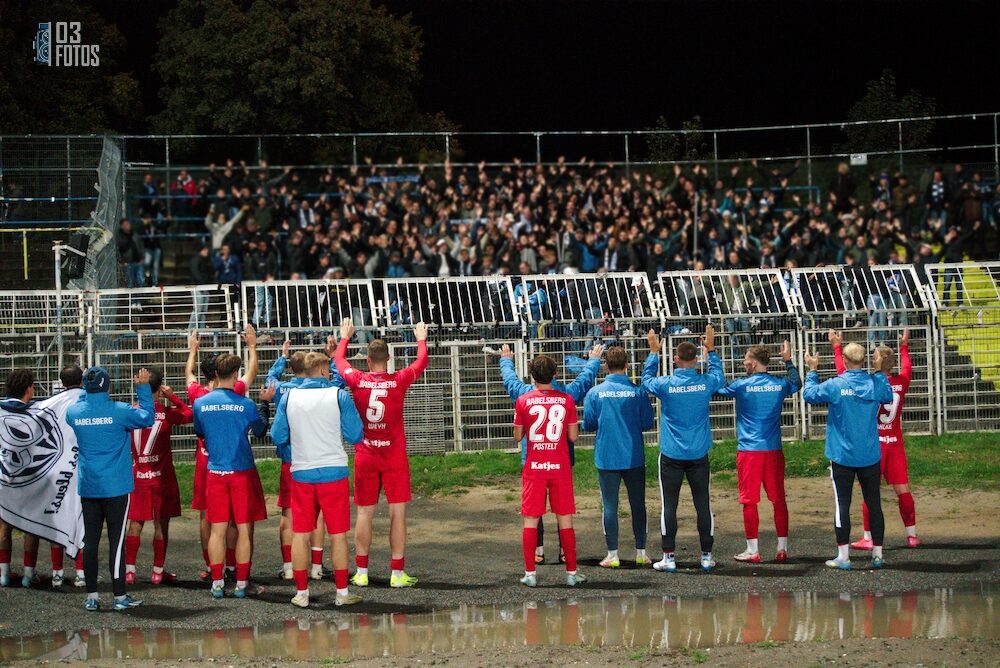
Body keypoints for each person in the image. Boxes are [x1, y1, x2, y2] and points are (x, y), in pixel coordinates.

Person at [335, 318, 428, 589]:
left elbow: (340, 362)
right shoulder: (398, 380)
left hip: (366, 454)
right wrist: (420, 337)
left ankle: (362, 571)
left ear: (367, 360)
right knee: (397, 513)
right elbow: (421, 362)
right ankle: (397, 573)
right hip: (394, 456)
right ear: (388, 359)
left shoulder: (358, 381)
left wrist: (344, 337)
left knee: (364, 513)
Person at [270, 352, 365, 608]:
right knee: (337, 535)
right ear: (324, 370)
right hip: (333, 472)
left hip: (301, 472)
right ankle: (342, 593)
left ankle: (301, 593)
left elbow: (277, 435)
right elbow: (356, 435)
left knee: (300, 533)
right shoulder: (338, 395)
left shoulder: (289, 396)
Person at [499, 343, 602, 564]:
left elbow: (510, 381)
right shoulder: (566, 395)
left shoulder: (524, 394)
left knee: (533, 507)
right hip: (560, 458)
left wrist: (506, 360)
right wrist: (593, 360)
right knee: (562, 507)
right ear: (555, 373)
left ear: (532, 374)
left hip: (533, 458)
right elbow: (584, 381)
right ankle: (565, 551)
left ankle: (537, 550)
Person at [66, 366, 155, 612]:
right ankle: (119, 597)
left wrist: (87, 389)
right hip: (116, 487)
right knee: (117, 542)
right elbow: (147, 417)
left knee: (91, 541)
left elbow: (82, 406)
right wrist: (143, 388)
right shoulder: (120, 412)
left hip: (89, 486)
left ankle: (92, 596)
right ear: (108, 386)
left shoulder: (74, 413)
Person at [642, 324, 725, 573]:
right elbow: (719, 377)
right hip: (698, 454)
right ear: (696, 358)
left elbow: (646, 381)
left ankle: (669, 557)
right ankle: (707, 556)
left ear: (676, 359)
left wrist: (654, 353)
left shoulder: (666, 384)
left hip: (671, 455)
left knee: (670, 505)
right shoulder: (706, 382)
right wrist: (711, 349)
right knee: (703, 504)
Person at [803, 342, 893, 570]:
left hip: (842, 456)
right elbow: (888, 394)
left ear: (844, 360)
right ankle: (878, 554)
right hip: (869, 455)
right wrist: (881, 369)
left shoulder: (836, 384)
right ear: (864, 361)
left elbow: (809, 394)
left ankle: (844, 556)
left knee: (842, 504)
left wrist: (812, 370)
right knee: (874, 504)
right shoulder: (875, 383)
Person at [193, 353, 275, 599]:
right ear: (236, 375)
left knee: (217, 529)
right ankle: (241, 583)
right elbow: (260, 430)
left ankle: (217, 583)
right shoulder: (245, 404)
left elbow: (199, 431)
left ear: (215, 375)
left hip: (216, 472)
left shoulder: (201, 403)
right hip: (241, 472)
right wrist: (264, 403)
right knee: (242, 528)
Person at [830, 329, 921, 549]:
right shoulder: (902, 381)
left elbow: (843, 373)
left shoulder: (871, 384)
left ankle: (869, 537)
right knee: (903, 490)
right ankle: (911, 535)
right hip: (895, 442)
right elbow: (908, 367)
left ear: (877, 362)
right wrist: (904, 346)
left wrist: (836, 347)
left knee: (869, 493)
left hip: (875, 443)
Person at [716, 342, 801, 564]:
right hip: (773, 450)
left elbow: (716, 388)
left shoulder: (741, 386)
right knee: (778, 499)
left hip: (749, 451)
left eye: (745, 359)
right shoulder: (779, 384)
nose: (743, 362)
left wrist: (713, 358)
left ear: (753, 363)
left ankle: (753, 550)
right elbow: (796, 383)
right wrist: (788, 360)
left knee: (749, 501)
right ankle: (782, 548)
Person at [185, 326, 259, 580]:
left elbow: (188, 376)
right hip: (235, 463)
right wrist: (251, 346)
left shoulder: (197, 397)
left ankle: (211, 567)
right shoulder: (237, 393)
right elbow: (252, 372)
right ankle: (233, 569)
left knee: (210, 518)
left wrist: (192, 350)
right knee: (238, 522)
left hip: (207, 464)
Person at [268, 338, 344, 581]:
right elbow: (339, 380)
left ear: (292, 369)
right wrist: (331, 359)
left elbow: (270, 378)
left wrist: (282, 356)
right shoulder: (326, 388)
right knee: (319, 514)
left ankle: (290, 567)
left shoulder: (281, 389)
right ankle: (317, 567)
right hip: (320, 458)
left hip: (292, 461)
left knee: (289, 515)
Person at [513, 354, 582, 587]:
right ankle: (571, 573)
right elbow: (573, 436)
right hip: (559, 465)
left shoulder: (523, 400)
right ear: (555, 375)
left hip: (534, 467)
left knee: (531, 520)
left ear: (532, 376)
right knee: (565, 519)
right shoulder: (567, 400)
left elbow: (517, 436)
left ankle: (530, 573)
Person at [582, 346, 653, 568]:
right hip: (633, 456)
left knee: (610, 506)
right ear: (627, 366)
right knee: (637, 504)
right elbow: (647, 423)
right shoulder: (638, 391)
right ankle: (641, 552)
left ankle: (612, 554)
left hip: (606, 456)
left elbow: (588, 423)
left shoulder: (595, 393)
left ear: (605, 366)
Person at [124, 369, 192, 585]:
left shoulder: (130, 412)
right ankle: (157, 571)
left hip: (138, 476)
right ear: (159, 388)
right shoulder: (166, 412)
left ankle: (130, 571)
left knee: (135, 523)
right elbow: (189, 415)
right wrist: (172, 397)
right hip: (161, 477)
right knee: (161, 524)